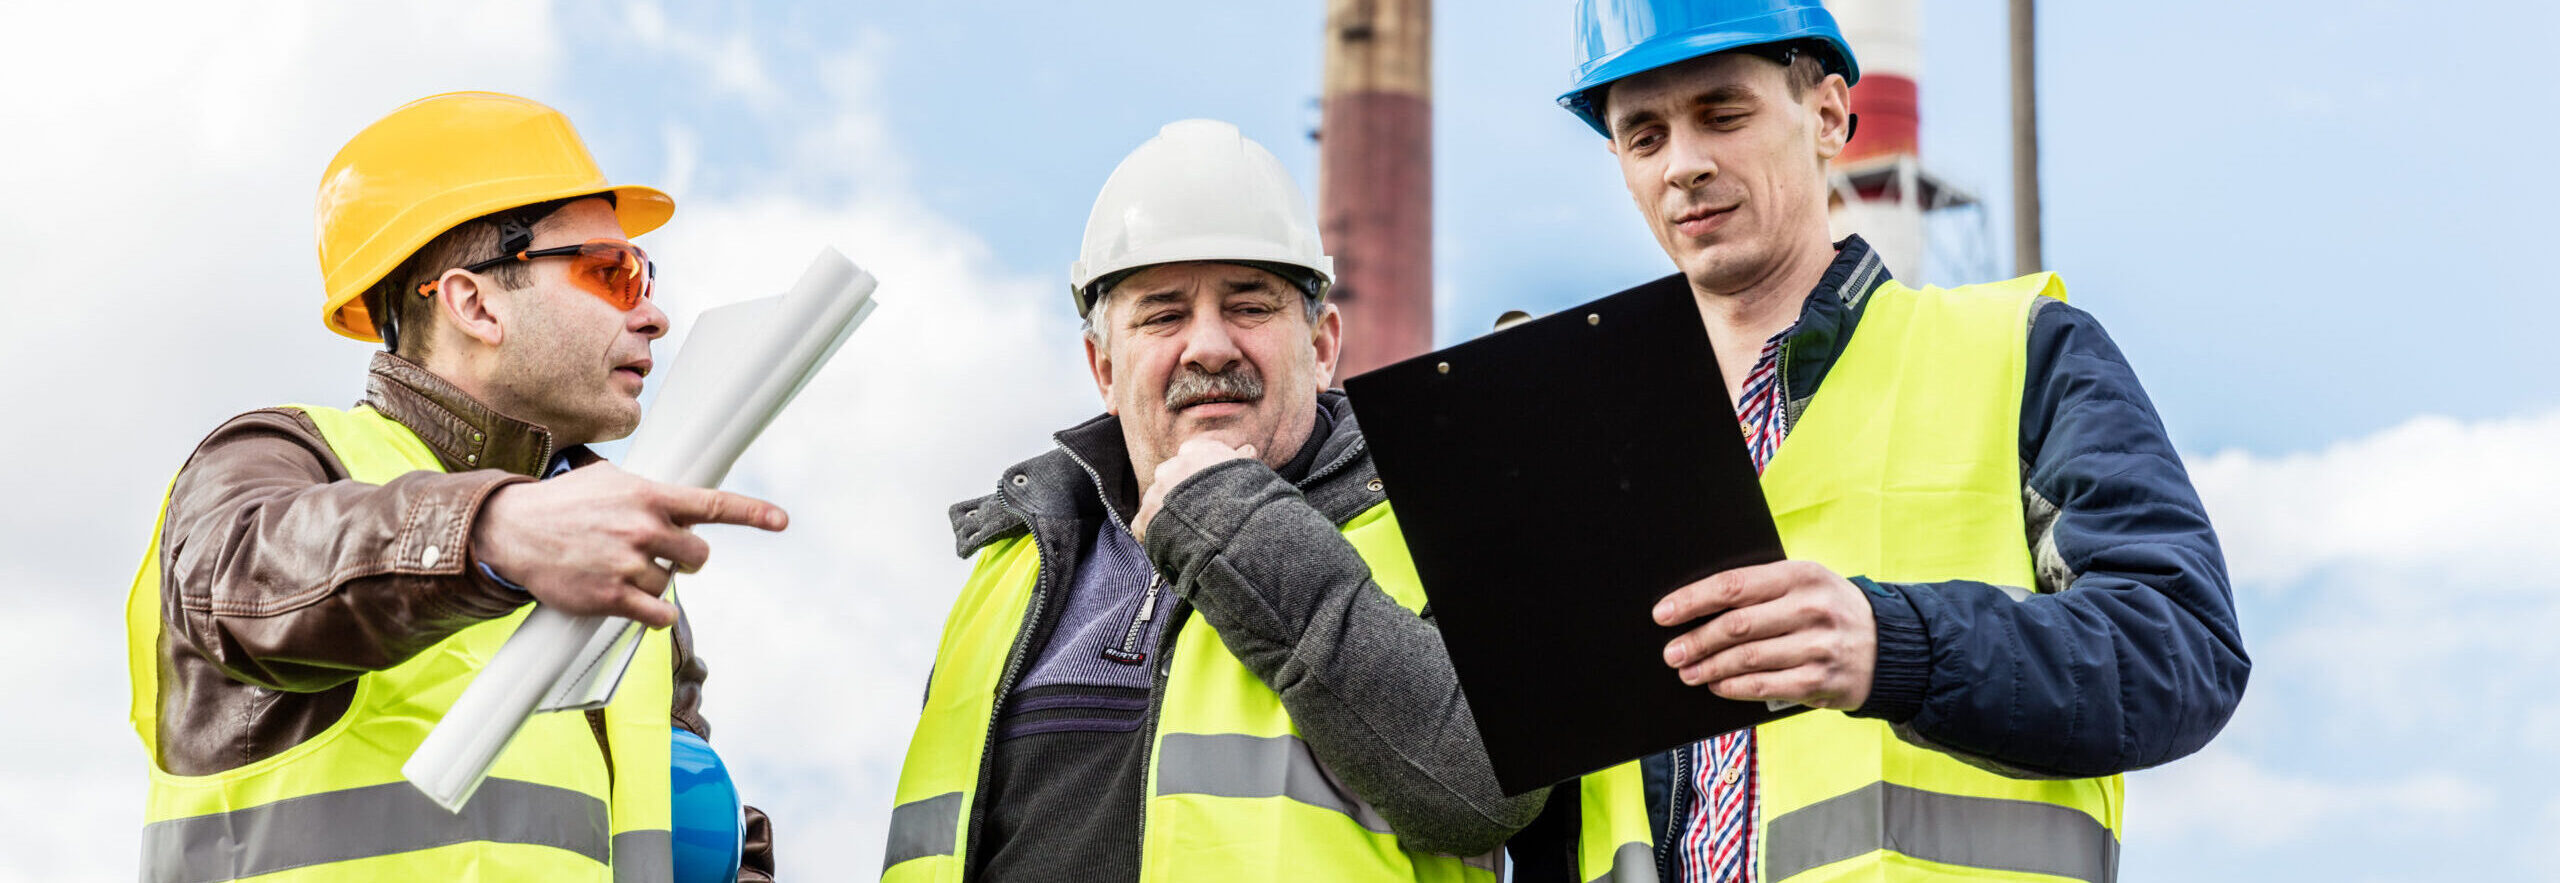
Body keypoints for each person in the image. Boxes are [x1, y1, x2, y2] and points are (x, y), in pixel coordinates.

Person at [1525, 2, 2252, 881]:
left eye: (1724, 114)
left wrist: (1894, 645)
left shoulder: (2019, 351)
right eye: (1645, 137)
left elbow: (2181, 648)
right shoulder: (1584, 445)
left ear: (1829, 115)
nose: (1684, 164)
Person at [123, 92, 786, 882]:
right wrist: (493, 530)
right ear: (475, 303)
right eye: (612, 273)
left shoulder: (616, 551)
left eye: (643, 273)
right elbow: (235, 580)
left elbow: (681, 823)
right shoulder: (285, 458)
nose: (652, 314)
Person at [882, 119, 1546, 882]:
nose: (1208, 346)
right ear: (1104, 368)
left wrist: (1230, 519)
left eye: (1250, 306)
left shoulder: (1433, 522)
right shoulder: (1007, 573)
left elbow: (1486, 788)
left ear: (1322, 346)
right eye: (1164, 314)